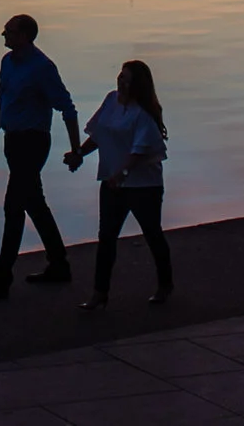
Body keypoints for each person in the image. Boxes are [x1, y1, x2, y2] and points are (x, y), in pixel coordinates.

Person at [0, 13, 81, 298]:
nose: (3, 35)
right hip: (13, 140)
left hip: (33, 142)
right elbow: (3, 102)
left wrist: (77, 149)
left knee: (14, 206)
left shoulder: (42, 68)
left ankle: (2, 277)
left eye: (8, 31)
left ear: (23, 36)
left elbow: (67, 108)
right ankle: (59, 264)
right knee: (33, 203)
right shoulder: (7, 64)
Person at [66, 58, 172, 308]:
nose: (120, 80)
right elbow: (99, 135)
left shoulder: (143, 113)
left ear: (136, 84)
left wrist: (122, 174)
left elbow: (139, 150)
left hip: (144, 186)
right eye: (120, 75)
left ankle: (165, 285)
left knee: (152, 233)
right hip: (112, 183)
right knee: (106, 237)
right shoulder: (111, 101)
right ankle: (99, 293)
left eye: (125, 77)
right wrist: (79, 154)